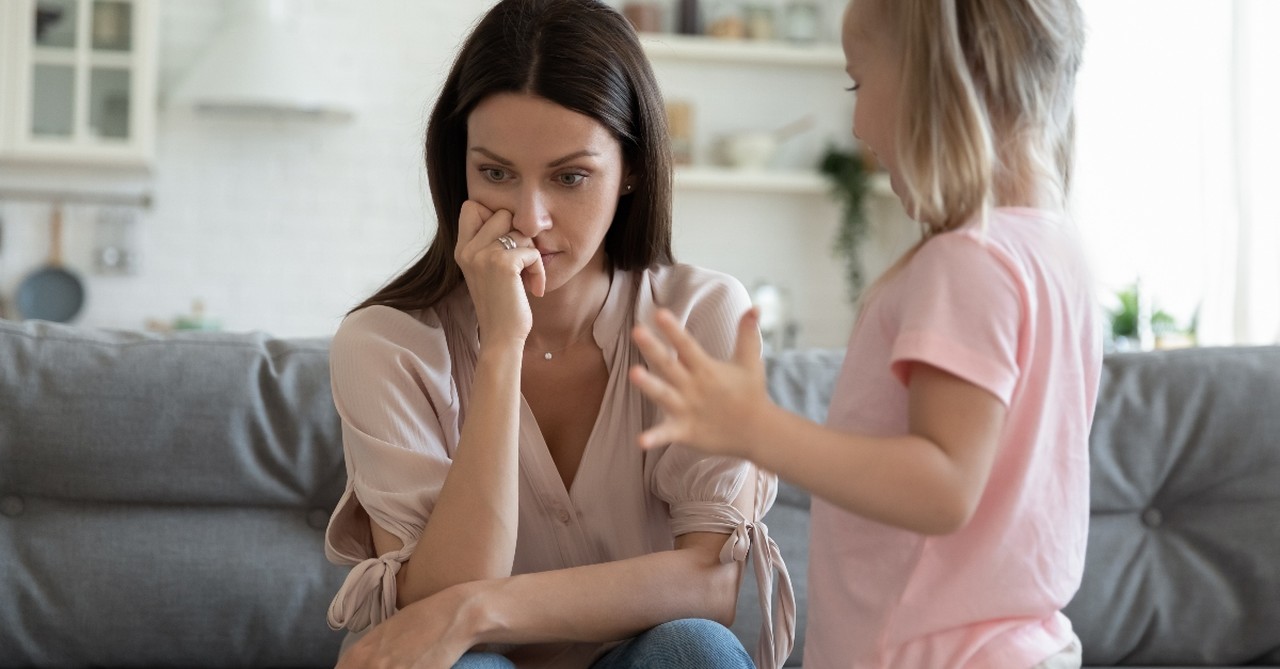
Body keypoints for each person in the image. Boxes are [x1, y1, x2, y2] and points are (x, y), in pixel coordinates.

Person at [322, 1, 794, 667]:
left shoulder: (702, 313)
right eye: (495, 172)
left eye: (570, 176)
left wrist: (479, 607)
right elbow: (433, 607)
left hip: (641, 656)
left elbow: (710, 583)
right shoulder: (384, 344)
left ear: (630, 168)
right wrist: (501, 346)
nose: (530, 217)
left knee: (695, 649)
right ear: (459, 166)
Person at [628, 0, 1099, 667]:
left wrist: (756, 428)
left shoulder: (969, 260)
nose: (856, 123)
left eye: (857, 82)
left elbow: (943, 485)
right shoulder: (1056, 251)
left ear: (938, 81)